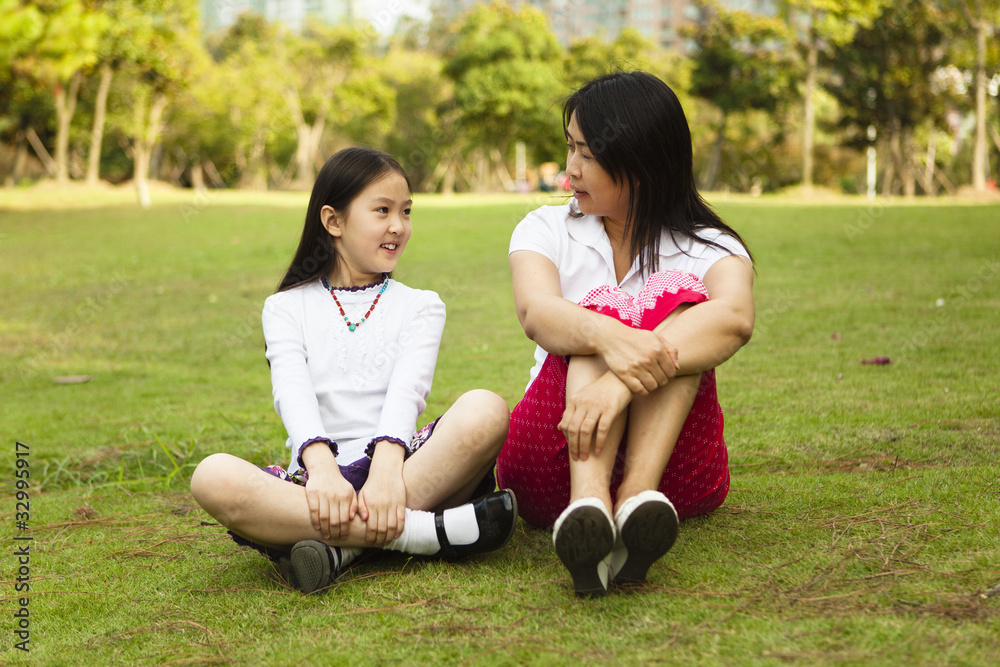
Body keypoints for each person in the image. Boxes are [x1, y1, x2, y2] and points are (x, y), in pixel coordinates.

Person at [191, 147, 516, 594]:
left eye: (405, 211)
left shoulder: (421, 305)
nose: (398, 226)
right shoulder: (285, 307)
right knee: (211, 475)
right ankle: (423, 533)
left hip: (403, 471)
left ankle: (338, 548)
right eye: (381, 210)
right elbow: (293, 391)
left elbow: (408, 391)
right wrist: (322, 468)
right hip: (316, 482)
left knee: (487, 409)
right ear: (334, 221)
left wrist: (386, 470)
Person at [496, 71, 755, 597]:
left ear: (640, 159)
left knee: (681, 304)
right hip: (558, 451)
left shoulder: (710, 245)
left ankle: (636, 501)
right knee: (604, 314)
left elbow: (735, 317)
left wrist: (618, 379)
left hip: (671, 469)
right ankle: (588, 503)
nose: (571, 169)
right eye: (570, 148)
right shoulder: (545, 228)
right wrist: (607, 335)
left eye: (587, 153)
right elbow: (537, 311)